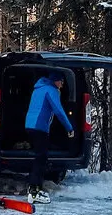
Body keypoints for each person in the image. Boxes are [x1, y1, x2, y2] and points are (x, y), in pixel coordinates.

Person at [24, 71, 75, 204]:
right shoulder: (51, 90)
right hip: (39, 127)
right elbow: (59, 111)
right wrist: (69, 128)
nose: (62, 85)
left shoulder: (38, 88)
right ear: (56, 81)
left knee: (39, 157)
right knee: (41, 158)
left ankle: (33, 188)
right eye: (61, 82)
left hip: (30, 125)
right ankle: (34, 191)